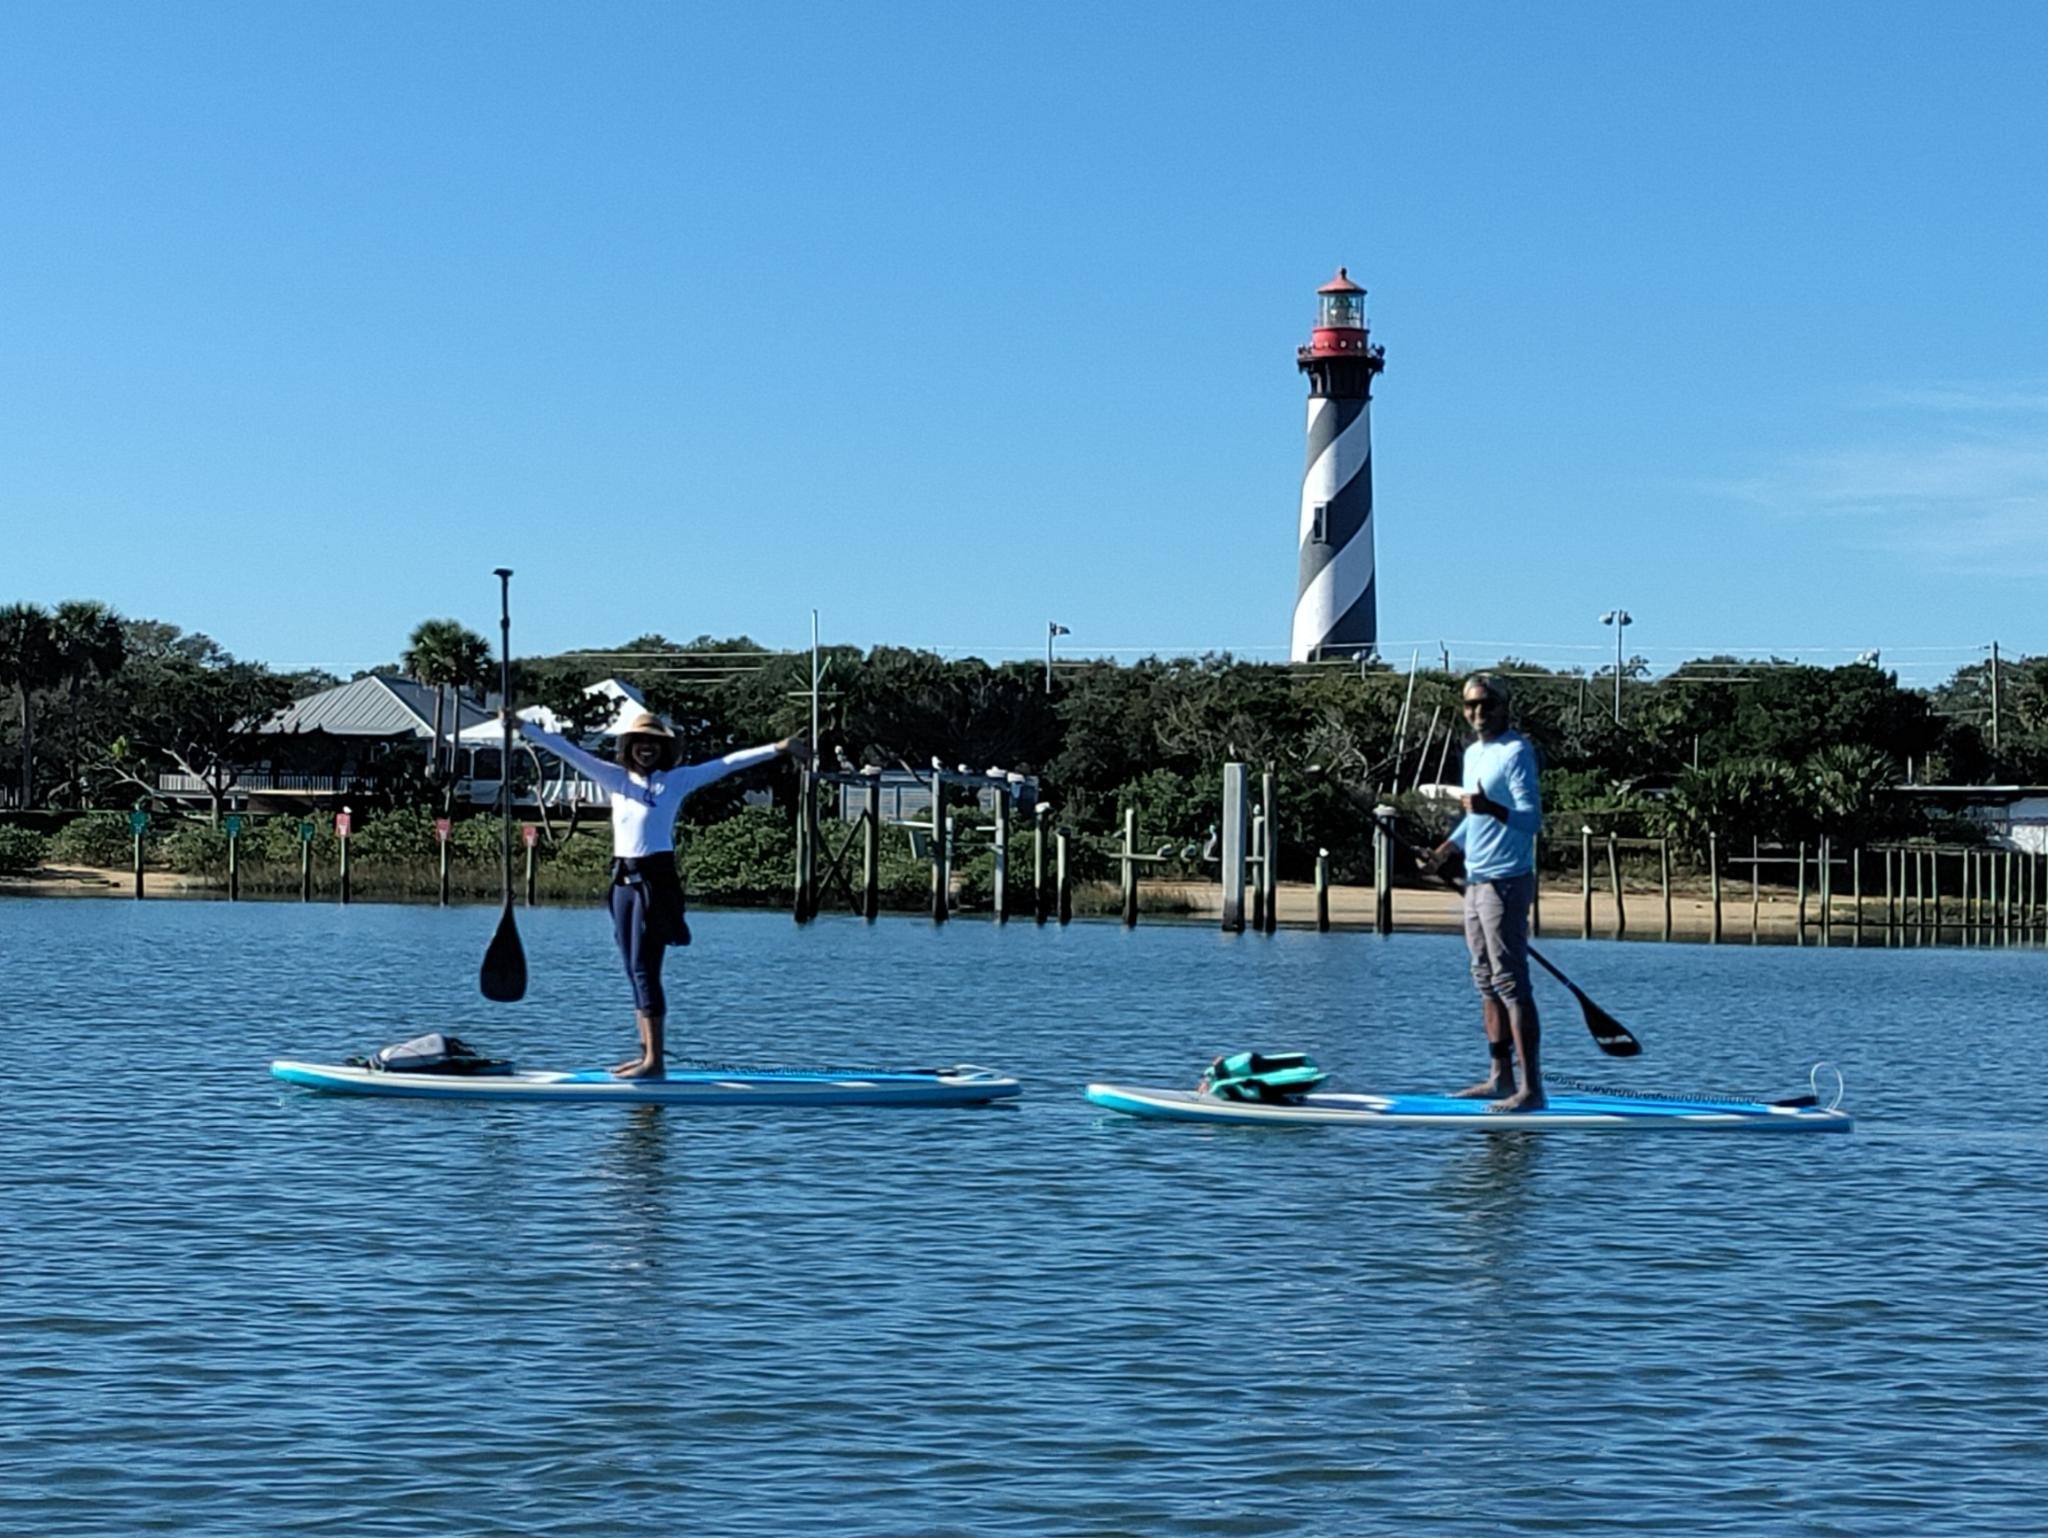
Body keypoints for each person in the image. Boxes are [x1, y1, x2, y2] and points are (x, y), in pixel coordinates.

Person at [515, 707, 806, 1078]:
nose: (646, 749)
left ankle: (655, 1062)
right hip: (621, 881)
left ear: (663, 749)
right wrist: (522, 726)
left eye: (653, 744)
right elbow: (567, 751)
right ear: (629, 746)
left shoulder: (677, 780)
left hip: (655, 882)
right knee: (630, 966)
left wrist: (779, 747)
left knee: (644, 968)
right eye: (640, 743)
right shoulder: (615, 778)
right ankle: (645, 1055)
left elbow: (729, 762)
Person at [1426, 674, 1544, 1111]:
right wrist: (1445, 850)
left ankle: (1531, 1090)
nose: (1478, 712)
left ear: (1502, 707)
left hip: (1506, 880)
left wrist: (1491, 807)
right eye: (1470, 705)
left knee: (1512, 982)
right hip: (1475, 880)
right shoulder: (1474, 753)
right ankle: (1499, 1078)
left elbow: (1531, 820)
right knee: (1485, 981)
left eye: (1486, 704)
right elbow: (1472, 817)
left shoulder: (1517, 752)